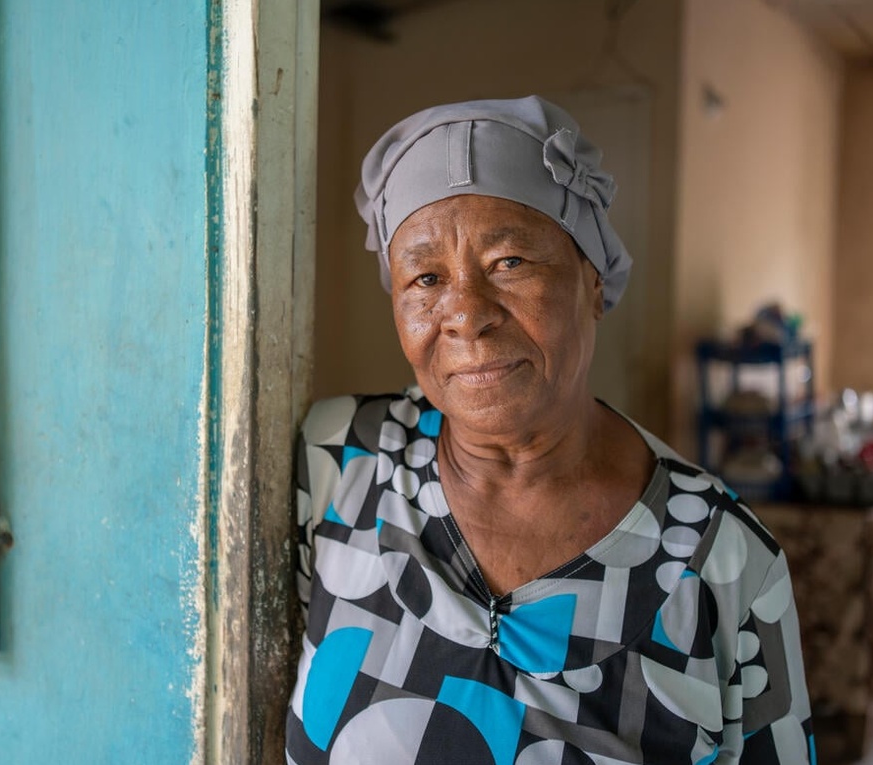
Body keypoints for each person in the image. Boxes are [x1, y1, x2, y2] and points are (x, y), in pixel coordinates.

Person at [287, 96, 813, 764]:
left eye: (510, 262)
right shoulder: (335, 461)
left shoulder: (722, 559)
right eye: (425, 278)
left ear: (593, 280)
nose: (467, 315)